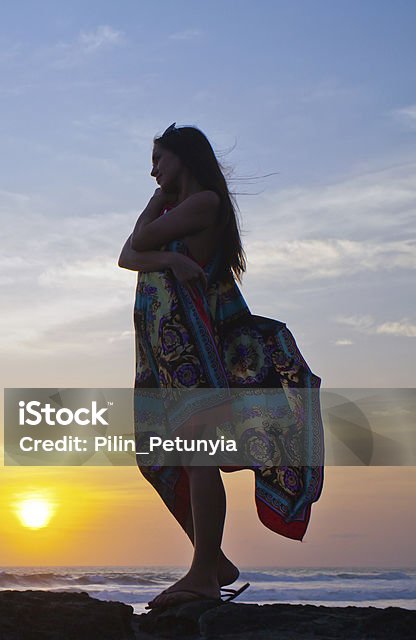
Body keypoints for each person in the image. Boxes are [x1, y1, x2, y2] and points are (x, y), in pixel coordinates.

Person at [118, 123, 324, 610]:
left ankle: (203, 575)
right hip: (163, 353)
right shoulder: (177, 206)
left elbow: (140, 240)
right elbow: (127, 255)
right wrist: (168, 262)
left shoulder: (204, 202)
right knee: (156, 457)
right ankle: (213, 562)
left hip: (193, 347)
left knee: (199, 453)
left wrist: (160, 245)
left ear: (184, 157)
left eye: (159, 160)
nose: (153, 172)